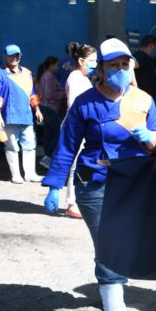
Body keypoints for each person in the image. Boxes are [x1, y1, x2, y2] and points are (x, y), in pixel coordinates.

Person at [42, 38, 156, 311]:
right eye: (114, 65)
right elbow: (67, 146)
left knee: (130, 246)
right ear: (102, 68)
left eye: (125, 64)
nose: (121, 70)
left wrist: (149, 138)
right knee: (109, 250)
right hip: (94, 185)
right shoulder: (85, 103)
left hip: (135, 187)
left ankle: (118, 299)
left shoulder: (143, 100)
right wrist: (56, 185)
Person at [0, 44, 44, 184]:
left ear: (20, 56)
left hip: (26, 115)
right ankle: (16, 175)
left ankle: (30, 174)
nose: (13, 58)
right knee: (12, 146)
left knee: (30, 144)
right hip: (9, 116)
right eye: (10, 55)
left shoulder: (27, 72)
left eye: (16, 55)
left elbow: (32, 93)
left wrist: (37, 109)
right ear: (5, 57)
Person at [60, 42, 98, 219]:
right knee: (75, 164)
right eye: (92, 60)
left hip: (83, 125)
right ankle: (71, 203)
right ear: (81, 60)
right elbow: (75, 105)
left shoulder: (83, 78)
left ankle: (77, 201)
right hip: (76, 126)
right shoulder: (75, 77)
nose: (95, 64)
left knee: (79, 164)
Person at [35, 56, 65, 168]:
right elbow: (48, 94)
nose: (57, 67)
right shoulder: (48, 76)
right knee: (57, 133)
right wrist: (62, 94)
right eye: (56, 65)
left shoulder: (46, 76)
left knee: (49, 133)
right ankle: (48, 156)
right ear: (51, 65)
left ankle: (47, 157)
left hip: (46, 108)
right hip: (49, 108)